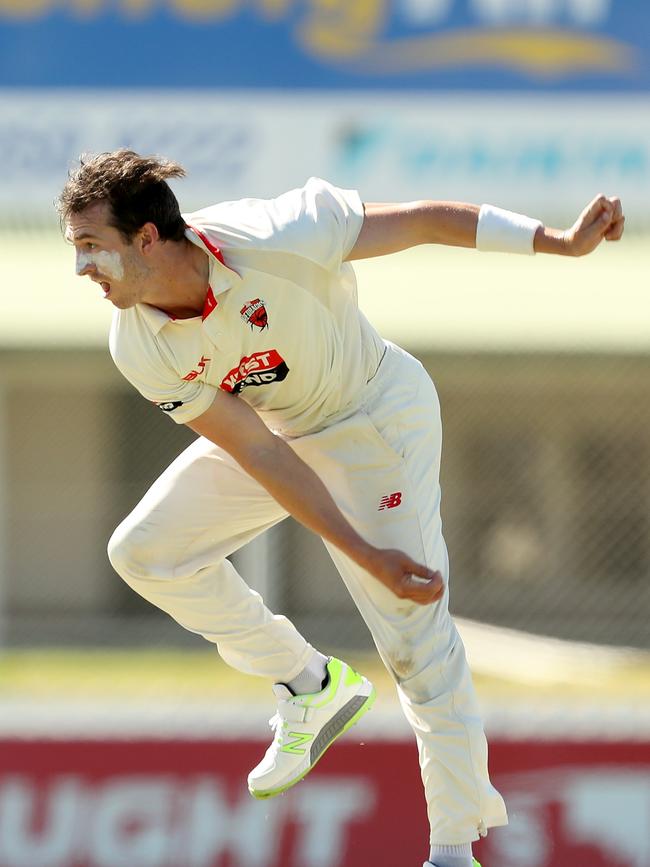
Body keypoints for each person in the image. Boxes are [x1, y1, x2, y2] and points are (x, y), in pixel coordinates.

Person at [58, 150, 624, 867]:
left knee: (414, 634)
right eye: (73, 249)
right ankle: (309, 681)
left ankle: (454, 849)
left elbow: (422, 221)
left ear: (146, 237)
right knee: (144, 551)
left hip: (374, 415)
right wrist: (363, 551)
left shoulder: (277, 234)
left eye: (92, 247)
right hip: (284, 433)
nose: (81, 270)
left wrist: (558, 242)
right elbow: (260, 453)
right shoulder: (136, 341)